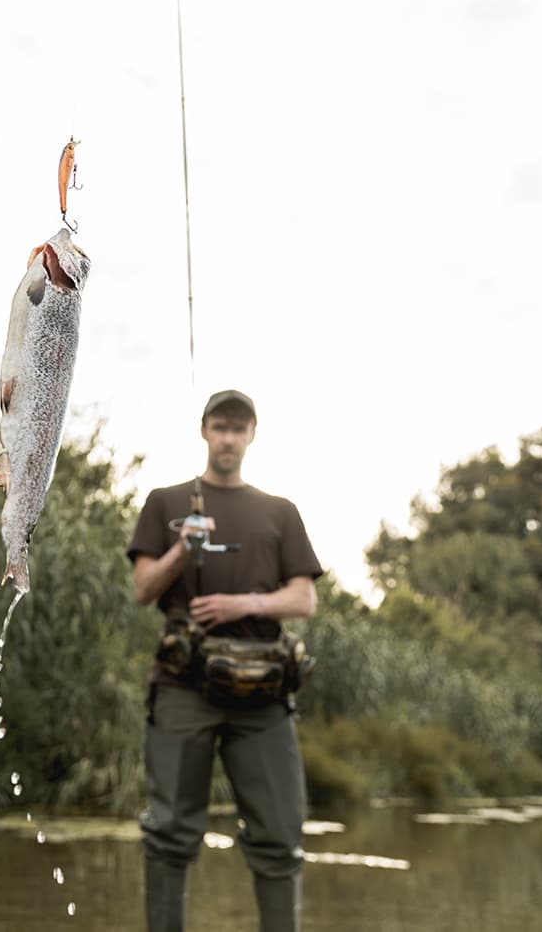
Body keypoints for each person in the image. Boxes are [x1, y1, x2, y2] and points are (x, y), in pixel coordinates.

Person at [127, 389, 323, 932]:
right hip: (182, 688)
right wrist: (179, 553)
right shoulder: (166, 502)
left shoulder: (279, 512)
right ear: (204, 431)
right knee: (168, 833)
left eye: (239, 428)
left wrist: (245, 603)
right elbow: (143, 589)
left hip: (263, 696)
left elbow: (304, 598)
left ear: (252, 435)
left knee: (281, 835)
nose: (229, 437)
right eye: (220, 426)